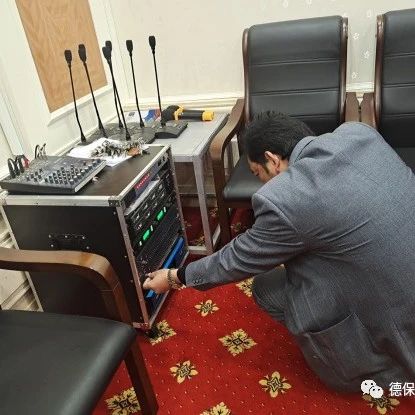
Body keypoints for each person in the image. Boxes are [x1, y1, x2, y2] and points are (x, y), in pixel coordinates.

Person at [143, 113, 415, 393]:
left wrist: (175, 276)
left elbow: (236, 259)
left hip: (397, 337)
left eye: (258, 174)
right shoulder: (360, 134)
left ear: (272, 160)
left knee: (266, 287)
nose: (262, 183)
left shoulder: (289, 197)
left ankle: (355, 368)